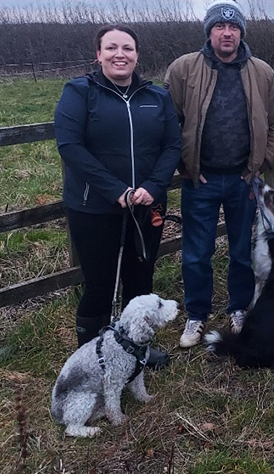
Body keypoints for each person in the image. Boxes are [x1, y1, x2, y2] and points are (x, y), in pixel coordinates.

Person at [55, 24, 182, 368]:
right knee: (99, 284)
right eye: (111, 48)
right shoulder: (79, 92)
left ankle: (135, 351)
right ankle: (90, 358)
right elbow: (70, 146)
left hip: (146, 206)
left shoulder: (157, 96)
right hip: (94, 208)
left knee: (140, 282)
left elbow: (172, 145)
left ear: (137, 55)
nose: (120, 54)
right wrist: (116, 191)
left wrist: (153, 187)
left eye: (127, 48)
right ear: (98, 55)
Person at [164, 0, 274, 348]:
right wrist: (183, 165)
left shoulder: (261, 72)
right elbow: (167, 121)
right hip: (199, 180)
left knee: (239, 251)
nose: (227, 33)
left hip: (242, 180)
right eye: (220, 25)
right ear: (209, 31)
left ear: (242, 32)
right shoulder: (183, 69)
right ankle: (196, 315)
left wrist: (262, 163)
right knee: (196, 253)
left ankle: (238, 308)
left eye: (233, 26)